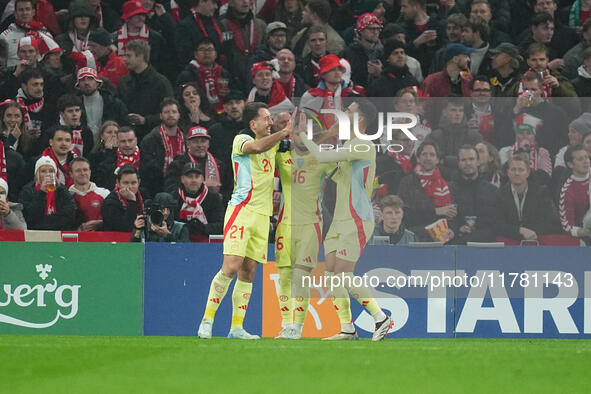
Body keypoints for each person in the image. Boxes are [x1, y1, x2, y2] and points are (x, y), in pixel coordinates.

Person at [299, 100, 393, 341]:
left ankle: (380, 317)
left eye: (349, 111)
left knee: (342, 274)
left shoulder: (364, 146)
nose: (344, 113)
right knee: (331, 273)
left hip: (357, 218)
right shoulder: (348, 146)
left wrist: (303, 134)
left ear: (360, 119)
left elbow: (319, 155)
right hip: (339, 218)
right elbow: (323, 164)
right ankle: (347, 328)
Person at [197, 102, 292, 340]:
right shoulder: (241, 140)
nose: (271, 122)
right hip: (242, 210)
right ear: (253, 124)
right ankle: (207, 321)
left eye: (272, 119)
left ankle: (236, 328)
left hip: (262, 215)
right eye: (266, 118)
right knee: (231, 265)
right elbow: (257, 147)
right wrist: (282, 132)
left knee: (248, 272)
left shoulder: (276, 145)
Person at [272, 122, 333, 339]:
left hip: (310, 225)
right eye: (297, 132)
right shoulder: (281, 156)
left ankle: (297, 327)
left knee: (300, 276)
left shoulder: (320, 158)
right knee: (285, 277)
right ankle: (285, 324)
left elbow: (340, 173)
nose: (301, 136)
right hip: (285, 224)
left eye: (305, 132)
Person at [398, 141, 457, 242]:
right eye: (424, 154)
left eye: (432, 155)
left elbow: (453, 217)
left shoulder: (447, 186)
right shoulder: (407, 182)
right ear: (418, 158)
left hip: (440, 241)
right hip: (413, 238)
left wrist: (452, 230)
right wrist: (436, 212)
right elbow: (404, 214)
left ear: (438, 160)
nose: (428, 158)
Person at [117, 39, 173, 139]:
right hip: (127, 137)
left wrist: (146, 120)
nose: (124, 59)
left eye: (129, 56)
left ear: (141, 57)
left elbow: (171, 113)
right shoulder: (123, 82)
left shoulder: (161, 83)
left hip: (155, 136)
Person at [496, 153, 559, 241]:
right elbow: (497, 224)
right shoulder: (498, 194)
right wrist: (519, 231)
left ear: (528, 173)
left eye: (521, 170)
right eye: (513, 169)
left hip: (536, 241)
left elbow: (547, 221)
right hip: (511, 242)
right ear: (508, 173)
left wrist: (529, 232)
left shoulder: (541, 193)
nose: (517, 173)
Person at [448, 145, 500, 243]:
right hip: (457, 241)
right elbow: (448, 217)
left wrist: (476, 229)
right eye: (463, 160)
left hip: (484, 242)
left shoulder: (492, 190)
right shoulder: (449, 189)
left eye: (471, 159)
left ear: (478, 162)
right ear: (458, 163)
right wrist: (458, 229)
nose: (468, 163)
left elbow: (494, 221)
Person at [218, 0, 267, 91]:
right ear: (231, 3)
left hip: (257, 79)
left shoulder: (261, 25)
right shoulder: (222, 25)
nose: (245, 2)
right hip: (232, 78)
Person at [164, 125, 225, 197]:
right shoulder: (177, 165)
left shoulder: (219, 165)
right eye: (195, 141)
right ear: (188, 144)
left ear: (208, 144)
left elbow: (228, 190)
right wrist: (202, 187)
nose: (199, 145)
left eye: (203, 141)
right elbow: (171, 190)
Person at [19, 155, 76, 230]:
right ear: (37, 174)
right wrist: (42, 193)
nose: (48, 174)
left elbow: (69, 214)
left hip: (58, 233)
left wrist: (45, 222)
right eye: (43, 171)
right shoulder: (27, 190)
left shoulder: (61, 190)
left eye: (51, 171)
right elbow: (29, 217)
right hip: (35, 234)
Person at [172, 161, 224, 242]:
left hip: (207, 245)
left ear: (202, 179)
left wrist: (203, 227)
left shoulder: (214, 198)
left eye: (197, 176)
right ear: (182, 179)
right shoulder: (175, 197)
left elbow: (221, 225)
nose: (194, 180)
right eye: (189, 176)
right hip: (180, 243)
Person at [176, 39, 230, 115]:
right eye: (202, 50)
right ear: (195, 54)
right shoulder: (187, 75)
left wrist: (228, 93)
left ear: (216, 54)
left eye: (210, 50)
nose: (207, 53)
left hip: (223, 113)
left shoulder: (224, 73)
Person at [76, 66, 128, 138]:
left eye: (90, 79)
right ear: (78, 85)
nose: (86, 83)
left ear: (97, 83)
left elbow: (125, 126)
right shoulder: (74, 105)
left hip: (110, 144)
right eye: (82, 80)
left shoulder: (114, 103)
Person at [398, 0, 445, 76]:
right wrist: (416, 43)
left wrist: (435, 44)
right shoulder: (402, 28)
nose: (401, 10)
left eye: (404, 6)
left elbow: (446, 49)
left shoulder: (439, 24)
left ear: (416, 7)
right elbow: (398, 52)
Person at [0, 0, 51, 68]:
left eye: (27, 9)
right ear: (15, 13)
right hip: (13, 77)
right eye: (21, 10)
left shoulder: (46, 36)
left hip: (39, 77)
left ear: (33, 12)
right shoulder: (4, 37)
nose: (25, 13)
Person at [174, 0, 224, 65]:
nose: (216, 7)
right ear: (201, 2)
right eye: (213, 3)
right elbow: (185, 56)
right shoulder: (184, 27)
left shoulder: (218, 24)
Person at [559, 144, 591, 242]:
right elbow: (567, 227)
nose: (586, 161)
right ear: (570, 165)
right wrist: (587, 232)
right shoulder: (567, 191)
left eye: (586, 157)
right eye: (580, 159)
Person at [69, 156, 109, 231]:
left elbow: (113, 219)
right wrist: (79, 229)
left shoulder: (104, 193)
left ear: (90, 172)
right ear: (71, 174)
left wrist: (101, 223)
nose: (83, 173)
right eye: (78, 170)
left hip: (102, 239)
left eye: (85, 170)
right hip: (76, 241)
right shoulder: (67, 196)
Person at [343, 13, 383, 88]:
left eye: (378, 28)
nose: (376, 32)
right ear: (361, 31)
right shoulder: (349, 53)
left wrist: (380, 74)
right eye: (371, 29)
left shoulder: (384, 53)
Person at [101, 163, 144, 232]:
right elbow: (124, 228)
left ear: (139, 182)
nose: (130, 187)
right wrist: (132, 201)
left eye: (133, 183)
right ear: (118, 183)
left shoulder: (144, 195)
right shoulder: (109, 203)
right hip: (116, 240)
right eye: (126, 183)